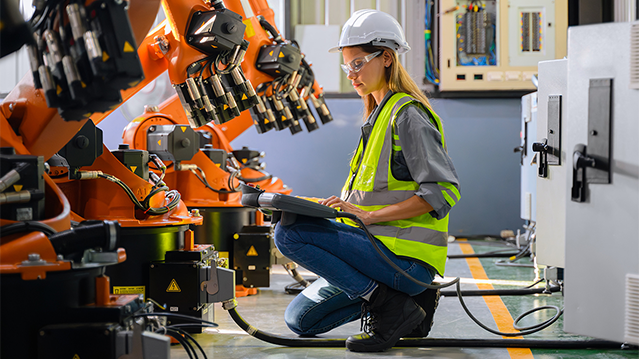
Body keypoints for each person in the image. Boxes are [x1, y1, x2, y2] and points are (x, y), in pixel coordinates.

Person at [273, 9, 461, 353]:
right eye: (348, 67)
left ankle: (392, 304)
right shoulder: (377, 116)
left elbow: (443, 192)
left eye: (358, 64)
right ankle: (413, 303)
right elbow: (371, 197)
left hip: (404, 258)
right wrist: (326, 209)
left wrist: (368, 216)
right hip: (373, 248)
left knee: (289, 233)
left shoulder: (408, 116)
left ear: (386, 58)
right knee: (301, 320)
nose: (352, 75)